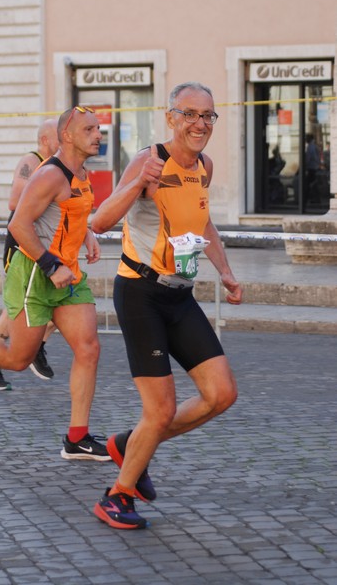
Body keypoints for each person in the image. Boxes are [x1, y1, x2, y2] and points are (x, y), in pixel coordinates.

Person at [91, 82, 243, 529]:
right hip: (140, 293)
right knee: (159, 411)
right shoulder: (148, 158)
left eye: (208, 116)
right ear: (171, 117)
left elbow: (204, 221)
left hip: (180, 295)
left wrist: (226, 271)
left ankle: (130, 443)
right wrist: (140, 182)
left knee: (222, 394)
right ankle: (117, 494)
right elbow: (100, 221)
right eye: (191, 114)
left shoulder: (204, 166)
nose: (200, 124)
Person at [0, 105, 111, 461]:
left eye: (98, 129)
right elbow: (17, 225)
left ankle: (77, 438)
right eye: (90, 129)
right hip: (34, 274)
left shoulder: (82, 171)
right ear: (67, 135)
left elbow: (72, 215)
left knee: (89, 348)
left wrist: (88, 235)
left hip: (69, 276)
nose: (98, 135)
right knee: (18, 359)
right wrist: (49, 265)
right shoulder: (49, 174)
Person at [0, 119, 59, 391]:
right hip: (23, 241)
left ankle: (35, 347)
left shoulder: (62, 165)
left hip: (49, 242)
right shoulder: (32, 161)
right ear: (46, 139)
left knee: (61, 301)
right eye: (61, 135)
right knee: (18, 305)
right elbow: (14, 202)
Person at [304, 133, 320, 209]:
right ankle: (315, 199)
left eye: (306, 138)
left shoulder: (311, 147)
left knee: (309, 184)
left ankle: (307, 199)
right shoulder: (313, 146)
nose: (305, 139)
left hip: (311, 168)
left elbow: (309, 158)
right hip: (314, 167)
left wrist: (305, 166)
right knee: (313, 184)